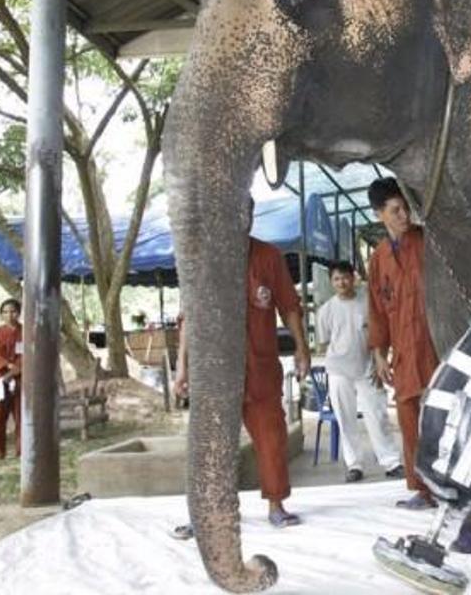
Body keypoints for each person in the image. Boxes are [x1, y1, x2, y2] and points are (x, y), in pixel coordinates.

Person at [173, 237, 311, 536]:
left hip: (260, 368)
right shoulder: (202, 254)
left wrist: (302, 347)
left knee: (272, 438)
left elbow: (289, 305)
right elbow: (189, 317)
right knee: (211, 446)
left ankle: (276, 505)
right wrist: (181, 366)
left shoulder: (268, 256)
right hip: (215, 372)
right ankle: (205, 514)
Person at [366, 178, 440, 510]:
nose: (404, 215)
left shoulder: (427, 243)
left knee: (442, 417)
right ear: (379, 214)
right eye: (395, 210)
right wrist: (379, 354)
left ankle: (452, 486)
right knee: (409, 420)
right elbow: (377, 309)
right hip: (405, 354)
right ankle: (423, 490)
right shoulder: (379, 258)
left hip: (436, 347)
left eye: (405, 207)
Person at [315, 260, 404, 483]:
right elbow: (323, 344)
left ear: (353, 278)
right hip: (339, 371)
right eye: (336, 279)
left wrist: (379, 360)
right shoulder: (326, 310)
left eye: (345, 277)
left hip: (368, 369)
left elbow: (381, 334)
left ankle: (391, 462)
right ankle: (354, 464)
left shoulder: (368, 303)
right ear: (331, 282)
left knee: (377, 415)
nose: (341, 283)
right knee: (345, 420)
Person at [0, 299, 23, 460]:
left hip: (20, 378)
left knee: (21, 416)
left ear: (19, 313)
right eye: (6, 312)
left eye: (13, 311)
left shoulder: (25, 332)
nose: (9, 315)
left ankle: (22, 450)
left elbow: (25, 356)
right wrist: (7, 368)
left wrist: (14, 371)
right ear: (1, 314)